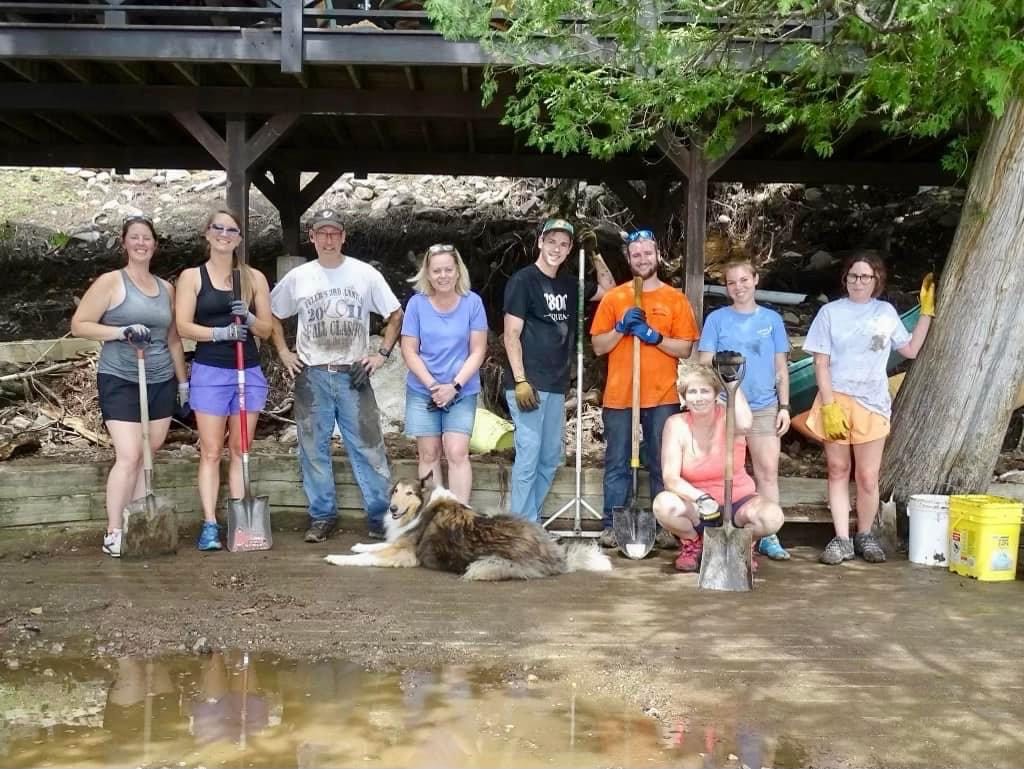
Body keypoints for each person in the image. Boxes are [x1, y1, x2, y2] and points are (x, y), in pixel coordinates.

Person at [271, 208, 403, 543]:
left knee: (369, 448)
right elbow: (272, 313)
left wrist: (381, 354)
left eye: (335, 234)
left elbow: (395, 313)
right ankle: (322, 516)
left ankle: (379, 518)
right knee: (313, 449)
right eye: (322, 234)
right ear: (312, 238)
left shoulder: (363, 274)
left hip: (353, 372)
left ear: (343, 237)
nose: (328, 240)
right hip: (312, 374)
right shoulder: (299, 277)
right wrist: (284, 353)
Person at [803, 251, 934, 564]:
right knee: (837, 470)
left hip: (873, 403)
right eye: (852, 275)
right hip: (835, 399)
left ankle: (864, 534)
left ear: (876, 280)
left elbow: (911, 349)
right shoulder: (830, 313)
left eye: (864, 276)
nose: (857, 281)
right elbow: (820, 363)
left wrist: (926, 312)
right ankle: (841, 539)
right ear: (845, 279)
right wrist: (829, 404)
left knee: (867, 476)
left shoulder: (885, 312)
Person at [71, 216, 188, 558]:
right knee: (129, 455)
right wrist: (120, 332)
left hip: (159, 379)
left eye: (146, 238)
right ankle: (114, 531)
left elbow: (174, 340)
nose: (141, 243)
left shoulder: (166, 288)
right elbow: (80, 325)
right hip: (121, 377)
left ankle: (140, 525)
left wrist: (183, 383)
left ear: (154, 244)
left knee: (147, 456)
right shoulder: (111, 282)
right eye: (134, 237)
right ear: (124, 243)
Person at [590, 228, 700, 548]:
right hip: (621, 395)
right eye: (635, 254)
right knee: (617, 461)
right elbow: (598, 346)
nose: (642, 259)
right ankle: (612, 523)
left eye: (647, 253)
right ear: (628, 258)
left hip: (661, 394)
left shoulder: (674, 299)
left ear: (657, 255)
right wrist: (622, 328)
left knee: (661, 461)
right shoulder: (614, 298)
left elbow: (685, 349)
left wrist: (653, 336)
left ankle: (664, 524)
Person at [501, 218, 614, 522]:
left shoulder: (570, 284)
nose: (557, 249)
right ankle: (520, 526)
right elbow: (511, 334)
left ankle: (530, 519)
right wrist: (521, 380)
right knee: (529, 455)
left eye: (564, 244)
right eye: (551, 241)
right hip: (529, 383)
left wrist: (594, 253)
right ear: (540, 242)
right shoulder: (524, 281)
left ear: (569, 250)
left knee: (551, 458)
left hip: (556, 383)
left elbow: (609, 289)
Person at [175, 208, 273, 552]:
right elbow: (184, 326)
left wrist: (247, 316)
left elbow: (267, 328)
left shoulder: (252, 278)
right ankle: (210, 524)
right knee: (213, 451)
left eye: (232, 230)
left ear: (239, 238)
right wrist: (219, 332)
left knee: (240, 449)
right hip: (211, 371)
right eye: (218, 228)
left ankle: (240, 523)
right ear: (207, 234)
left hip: (247, 371)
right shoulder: (191, 277)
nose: (224, 234)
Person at [698, 260, 792, 561]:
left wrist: (785, 406)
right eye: (731, 282)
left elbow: (781, 367)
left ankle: (768, 536)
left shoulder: (772, 320)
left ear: (755, 280)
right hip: (726, 408)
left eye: (743, 280)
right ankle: (719, 529)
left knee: (767, 471)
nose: (738, 287)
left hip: (764, 406)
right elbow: (704, 363)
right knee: (726, 471)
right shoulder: (716, 319)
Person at [653, 364, 785, 572]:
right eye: (692, 392)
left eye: (705, 391)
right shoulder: (676, 424)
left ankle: (741, 544)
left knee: (772, 516)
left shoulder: (729, 416)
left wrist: (732, 383)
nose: (699, 398)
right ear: (684, 398)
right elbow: (670, 478)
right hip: (698, 507)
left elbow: (745, 424)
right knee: (663, 504)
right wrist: (701, 498)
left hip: (737, 501)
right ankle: (693, 543)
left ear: (715, 394)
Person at [399, 244, 487, 504]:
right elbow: (409, 350)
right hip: (423, 389)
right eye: (437, 271)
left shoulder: (473, 303)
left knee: (457, 451)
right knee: (428, 453)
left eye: (448, 269)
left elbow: (478, 350)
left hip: (461, 389)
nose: (443, 275)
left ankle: (459, 515)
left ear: (458, 271)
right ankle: (435, 515)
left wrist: (454, 386)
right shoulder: (416, 304)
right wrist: (434, 386)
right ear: (427, 273)